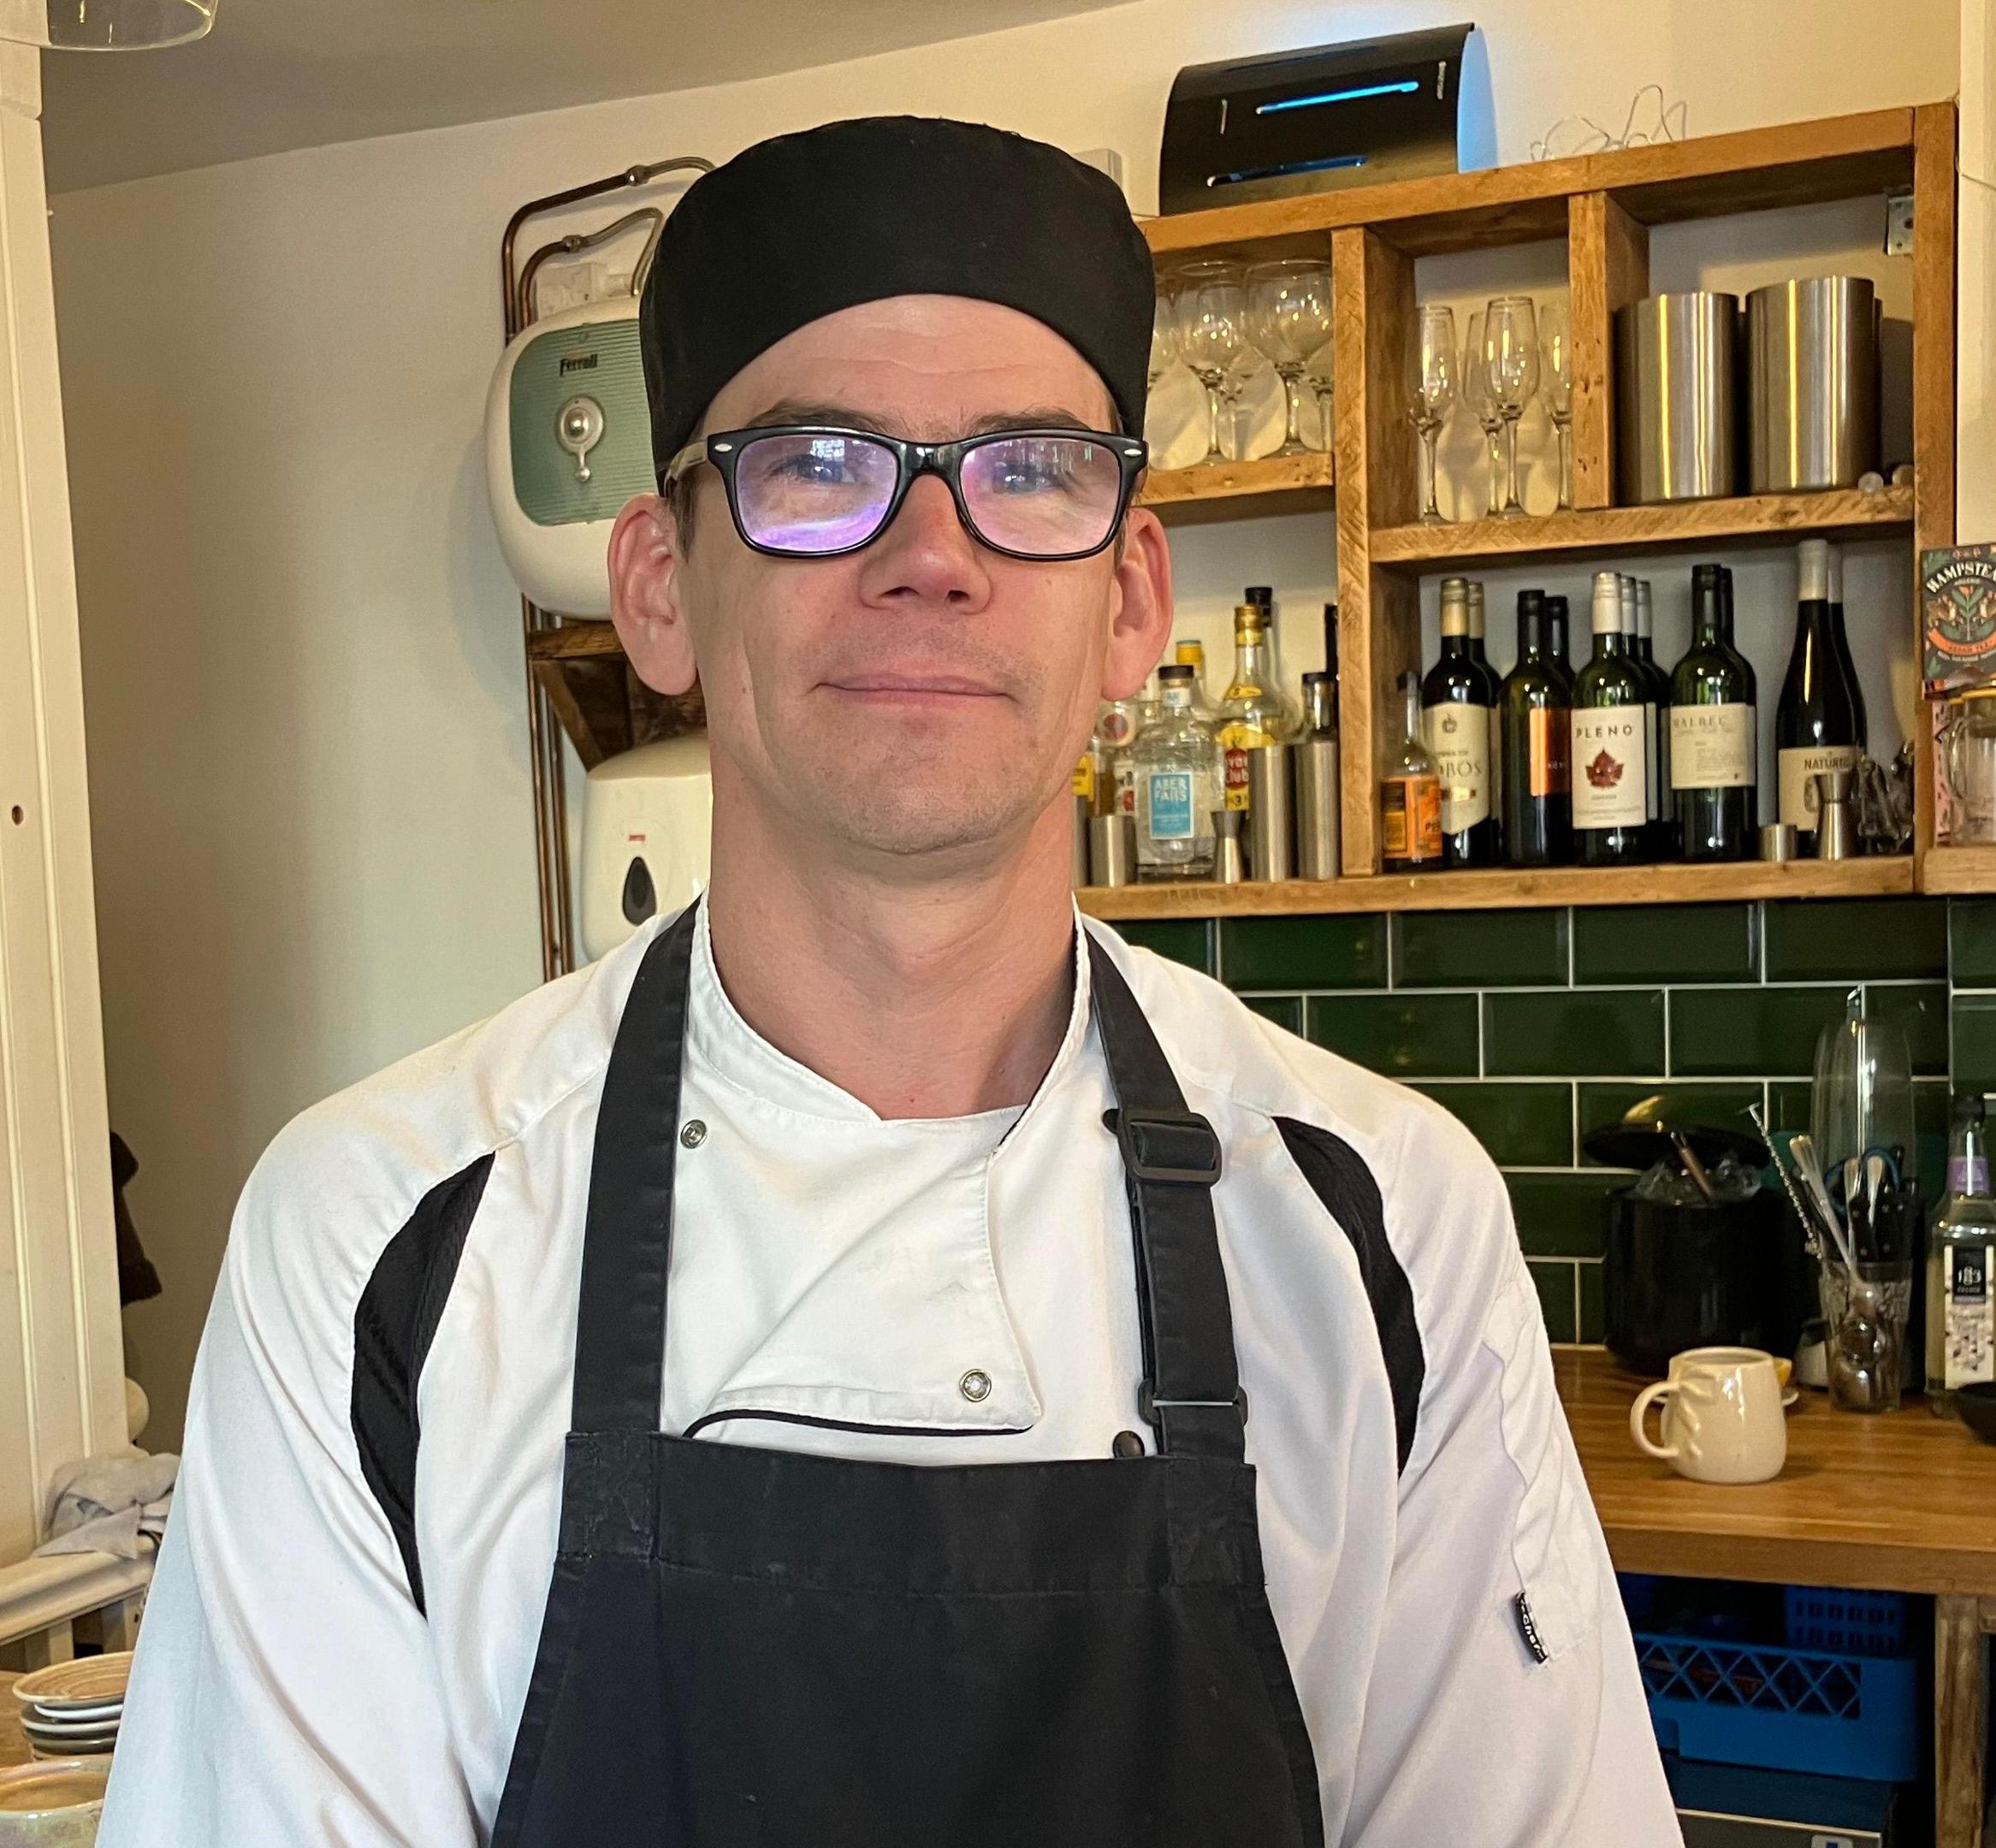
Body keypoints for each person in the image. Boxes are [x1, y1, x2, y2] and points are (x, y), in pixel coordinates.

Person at [98, 116, 1673, 1848]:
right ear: (660, 589)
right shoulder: (370, 1243)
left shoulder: (1385, 1227)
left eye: (1031, 469)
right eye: (817, 463)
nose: (932, 551)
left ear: (1134, 599)